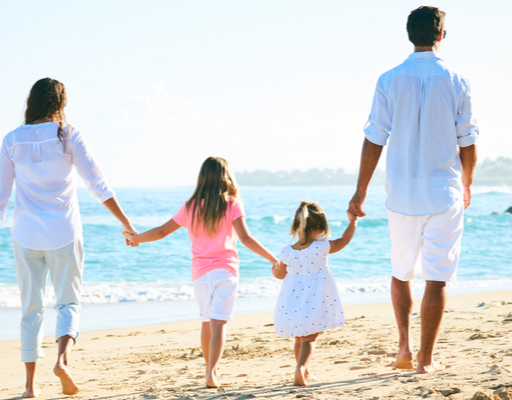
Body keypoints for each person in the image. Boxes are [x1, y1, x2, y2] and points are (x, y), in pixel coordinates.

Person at [0, 78, 138, 398]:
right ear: (60, 103)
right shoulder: (67, 134)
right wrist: (126, 223)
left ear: (32, 101)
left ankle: (30, 387)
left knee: (31, 308)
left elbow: (0, 194)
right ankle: (62, 361)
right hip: (64, 232)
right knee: (68, 302)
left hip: (26, 235)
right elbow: (98, 184)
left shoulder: (12, 139)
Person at [348, 6, 479, 374]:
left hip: (401, 194)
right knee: (436, 278)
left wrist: (360, 191)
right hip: (444, 193)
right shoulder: (457, 80)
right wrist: (467, 183)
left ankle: (404, 349)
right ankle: (425, 360)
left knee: (401, 271)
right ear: (441, 35)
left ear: (410, 34)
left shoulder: (389, 79)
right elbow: (468, 141)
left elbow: (374, 138)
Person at [123, 157, 279, 388]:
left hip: (200, 274)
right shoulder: (232, 204)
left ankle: (209, 372)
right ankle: (211, 373)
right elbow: (246, 238)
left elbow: (162, 231)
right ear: (227, 177)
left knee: (206, 322)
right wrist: (272, 258)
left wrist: (135, 238)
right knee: (219, 324)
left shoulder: (191, 206)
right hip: (226, 271)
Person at [272, 201, 357, 386]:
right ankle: (301, 369)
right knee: (310, 337)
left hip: (292, 299)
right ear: (320, 227)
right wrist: (353, 222)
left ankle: (305, 370)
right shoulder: (321, 246)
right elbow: (344, 241)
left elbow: (281, 275)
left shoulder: (287, 250)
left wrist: (275, 271)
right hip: (314, 298)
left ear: (296, 226)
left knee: (299, 337)